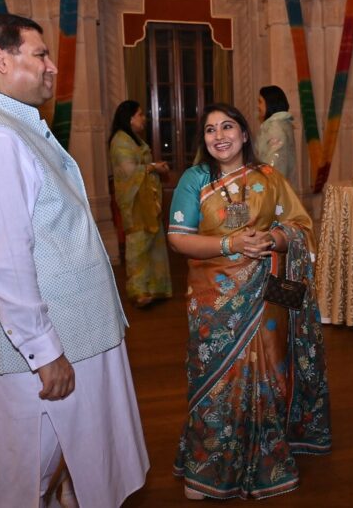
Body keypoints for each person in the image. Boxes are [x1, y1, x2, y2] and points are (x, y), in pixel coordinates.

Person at [0, 13, 149, 507]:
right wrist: (44, 351)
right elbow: (6, 261)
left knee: (62, 463)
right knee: (26, 473)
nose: (52, 66)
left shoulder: (11, 126)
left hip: (68, 335)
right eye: (39, 54)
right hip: (41, 354)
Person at [167, 102, 330, 500]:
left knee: (270, 377)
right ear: (204, 139)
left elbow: (300, 225)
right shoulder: (194, 179)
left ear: (244, 134)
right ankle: (206, 468)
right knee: (213, 380)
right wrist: (230, 242)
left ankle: (267, 457)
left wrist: (272, 239)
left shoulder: (269, 178)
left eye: (227, 127)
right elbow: (178, 237)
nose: (219, 136)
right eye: (210, 130)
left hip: (265, 297)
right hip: (212, 300)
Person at [109, 100, 172, 307]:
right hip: (135, 201)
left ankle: (154, 287)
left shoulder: (133, 138)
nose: (144, 118)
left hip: (146, 198)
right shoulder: (120, 140)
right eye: (140, 114)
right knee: (137, 245)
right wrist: (153, 167)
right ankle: (138, 291)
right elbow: (129, 171)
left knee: (151, 242)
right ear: (130, 118)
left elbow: (140, 166)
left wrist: (152, 167)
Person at [256, 85, 298, 190]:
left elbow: (275, 162)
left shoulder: (275, 127)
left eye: (260, 102)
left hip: (273, 187)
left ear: (269, 103)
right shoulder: (281, 123)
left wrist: (260, 187)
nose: (258, 106)